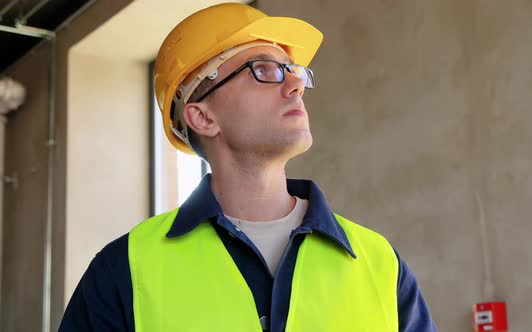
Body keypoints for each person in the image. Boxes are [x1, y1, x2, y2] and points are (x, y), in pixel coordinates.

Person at [59, 3, 437, 331]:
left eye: (293, 70)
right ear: (202, 117)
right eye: (265, 70)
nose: (295, 85)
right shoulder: (124, 271)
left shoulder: (379, 263)